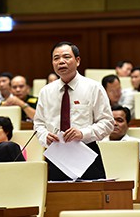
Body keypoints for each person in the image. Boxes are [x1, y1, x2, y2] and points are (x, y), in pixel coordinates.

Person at [34, 41, 113, 181]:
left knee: (93, 200)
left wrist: (82, 133)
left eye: (66, 57)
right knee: (57, 200)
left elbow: (107, 123)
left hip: (86, 152)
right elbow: (38, 124)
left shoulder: (93, 87)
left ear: (77, 61)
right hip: (56, 155)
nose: (61, 62)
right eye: (56, 58)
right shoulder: (46, 91)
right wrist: (45, 136)